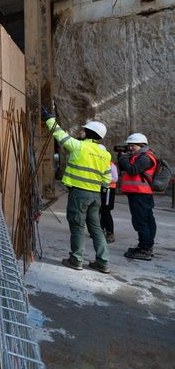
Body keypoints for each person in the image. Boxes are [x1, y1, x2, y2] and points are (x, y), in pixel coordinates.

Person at [42, 108, 112, 274]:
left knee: (77, 227)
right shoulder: (105, 154)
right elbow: (107, 179)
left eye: (83, 130)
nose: (80, 131)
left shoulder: (79, 147)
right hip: (96, 196)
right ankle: (103, 262)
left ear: (88, 133)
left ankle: (76, 260)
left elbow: (60, 135)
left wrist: (49, 119)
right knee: (96, 229)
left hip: (79, 195)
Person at [117, 133, 157, 260]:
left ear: (141, 145)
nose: (130, 148)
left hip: (141, 194)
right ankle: (146, 246)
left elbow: (132, 170)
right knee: (146, 220)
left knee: (142, 221)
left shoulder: (145, 158)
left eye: (132, 145)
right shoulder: (139, 156)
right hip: (138, 193)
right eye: (129, 146)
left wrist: (123, 159)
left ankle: (144, 250)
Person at [100, 157, 118, 243]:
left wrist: (101, 178)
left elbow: (115, 179)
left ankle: (110, 233)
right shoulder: (99, 162)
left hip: (109, 189)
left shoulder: (111, 165)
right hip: (100, 188)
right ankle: (100, 230)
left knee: (106, 211)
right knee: (101, 210)